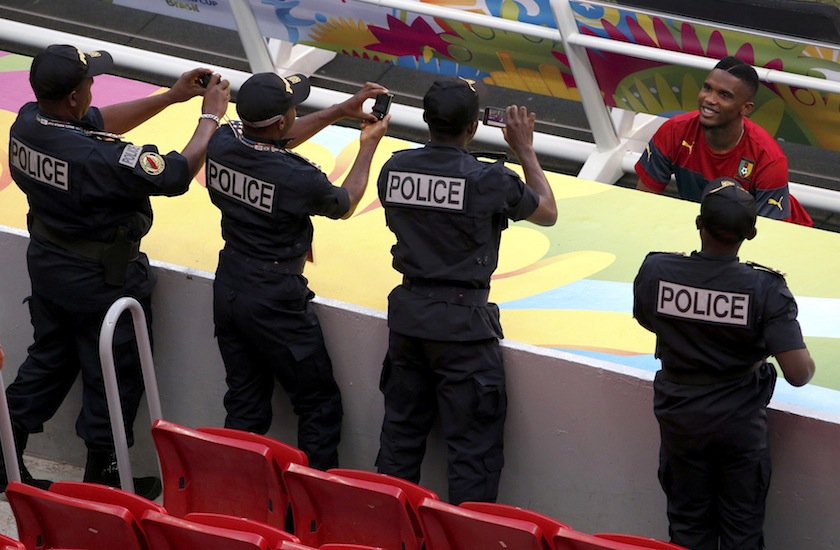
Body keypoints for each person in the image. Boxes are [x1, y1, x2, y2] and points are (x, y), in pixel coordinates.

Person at [6, 43, 230, 498]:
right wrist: (210, 117)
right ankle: (105, 478)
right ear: (73, 96)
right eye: (90, 83)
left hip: (51, 266)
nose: (93, 89)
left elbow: (97, 125)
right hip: (101, 280)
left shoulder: (29, 122)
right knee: (113, 373)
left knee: (47, 363)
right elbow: (173, 175)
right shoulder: (99, 159)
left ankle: (2, 458)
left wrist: (170, 97)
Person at [374, 78, 557, 505]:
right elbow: (546, 212)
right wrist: (525, 149)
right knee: (472, 457)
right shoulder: (490, 179)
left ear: (425, 119)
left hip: (409, 319)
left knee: (399, 443)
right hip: (464, 329)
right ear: (474, 127)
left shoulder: (394, 169)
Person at [205, 72, 390, 470]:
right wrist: (367, 147)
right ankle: (310, 512)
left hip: (230, 283)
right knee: (319, 406)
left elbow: (275, 140)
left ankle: (237, 504)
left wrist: (341, 110)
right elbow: (344, 202)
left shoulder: (222, 141)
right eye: (293, 108)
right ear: (282, 121)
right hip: (275, 298)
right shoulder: (297, 177)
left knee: (244, 405)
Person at [632, 177, 815, 550]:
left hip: (679, 420)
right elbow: (798, 374)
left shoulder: (657, 271)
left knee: (686, 529)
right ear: (751, 233)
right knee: (742, 533)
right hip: (739, 428)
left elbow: (647, 318)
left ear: (698, 224)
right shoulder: (766, 290)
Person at [635, 56, 813, 227]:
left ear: (746, 108)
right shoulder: (673, 131)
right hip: (713, 231)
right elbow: (642, 204)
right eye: (707, 88)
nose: (709, 99)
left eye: (724, 95)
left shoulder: (768, 159)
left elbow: (768, 236)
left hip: (784, 237)